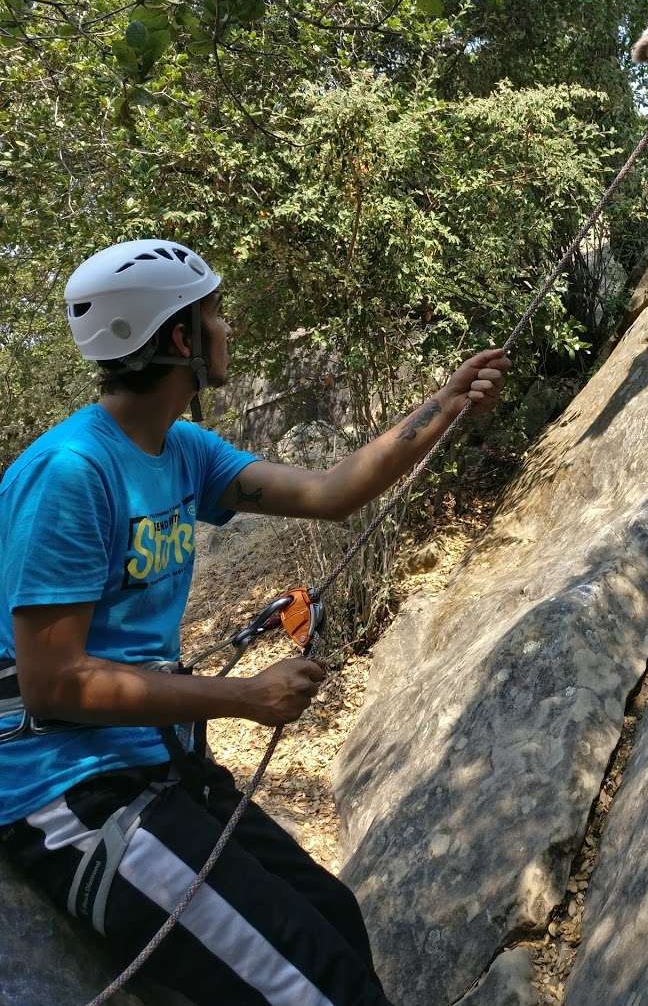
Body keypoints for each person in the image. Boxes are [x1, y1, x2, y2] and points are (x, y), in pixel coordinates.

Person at [0, 239, 510, 1005]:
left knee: (335, 918)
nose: (227, 327)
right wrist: (242, 697)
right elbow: (51, 683)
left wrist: (444, 404)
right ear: (180, 340)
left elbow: (332, 491)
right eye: (213, 313)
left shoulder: (179, 448)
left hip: (153, 766)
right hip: (72, 795)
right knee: (319, 987)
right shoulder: (72, 473)